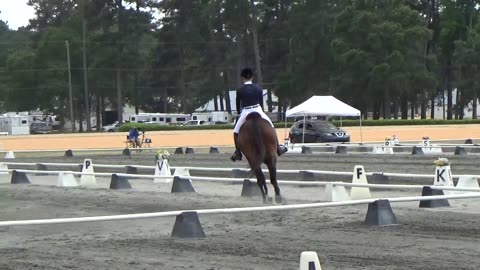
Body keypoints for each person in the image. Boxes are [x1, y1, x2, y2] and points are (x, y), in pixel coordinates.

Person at [230, 67, 287, 161]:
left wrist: (240, 113)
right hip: (258, 109)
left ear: (242, 78)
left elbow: (238, 104)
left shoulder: (240, 89)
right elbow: (260, 102)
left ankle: (238, 152)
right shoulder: (258, 88)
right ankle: (278, 148)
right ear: (252, 77)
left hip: (246, 111)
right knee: (271, 126)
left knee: (235, 132)